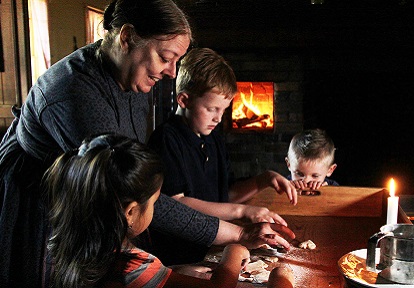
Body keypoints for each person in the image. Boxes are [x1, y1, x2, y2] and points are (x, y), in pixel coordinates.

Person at [0, 1, 295, 286]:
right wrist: (239, 234)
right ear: (127, 37)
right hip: (46, 218)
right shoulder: (74, 94)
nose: (172, 72)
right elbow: (132, 189)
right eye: (166, 58)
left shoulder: (131, 74)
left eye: (177, 61)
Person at [147, 47, 298, 265]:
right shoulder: (166, 139)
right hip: (179, 256)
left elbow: (224, 195)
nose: (218, 118)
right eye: (211, 109)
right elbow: (176, 204)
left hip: (213, 245)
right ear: (184, 100)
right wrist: (243, 211)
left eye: (223, 110)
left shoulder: (213, 137)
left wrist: (263, 180)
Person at [43, 133, 252, 288]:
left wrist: (172, 273)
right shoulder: (132, 265)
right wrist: (232, 254)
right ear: (131, 212)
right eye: (154, 202)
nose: (154, 208)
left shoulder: (71, 250)